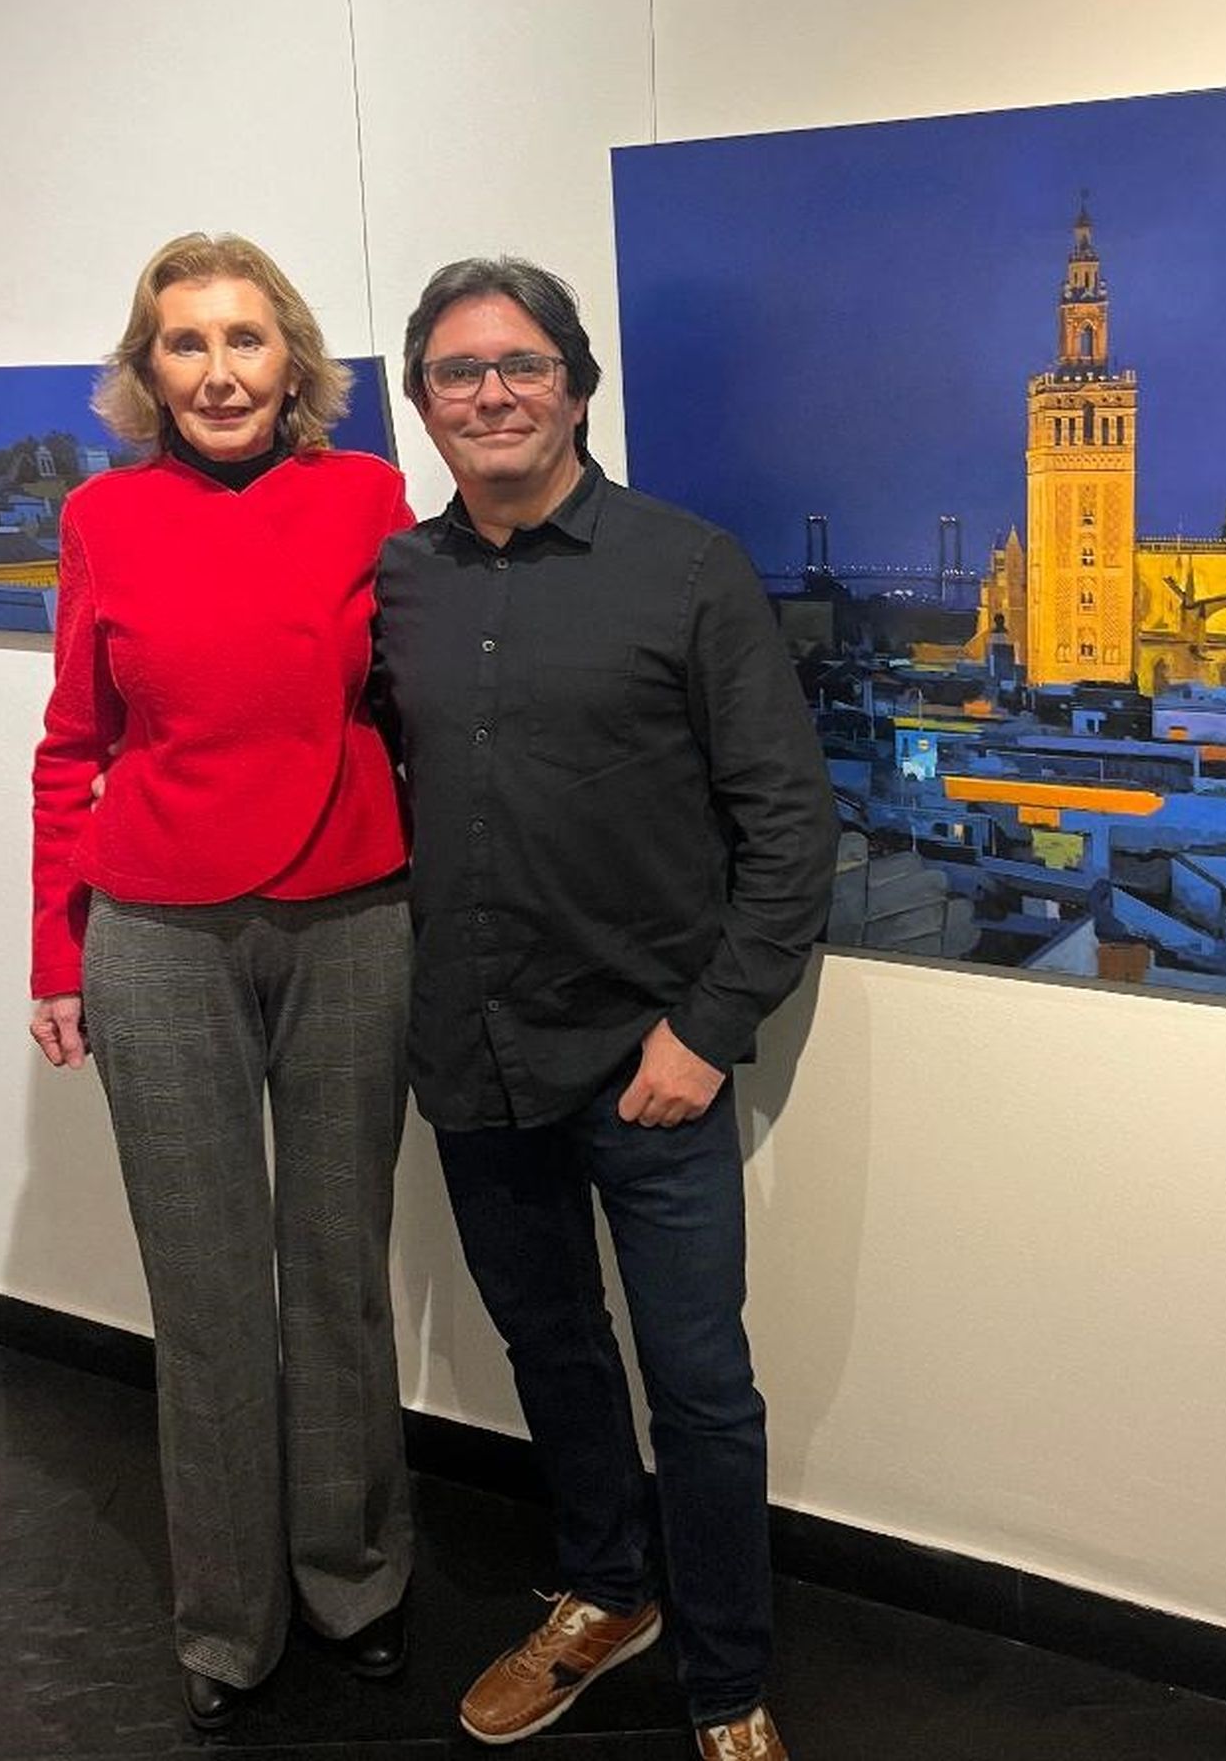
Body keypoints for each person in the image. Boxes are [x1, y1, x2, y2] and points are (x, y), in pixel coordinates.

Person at [371, 258, 838, 1761]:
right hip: (473, 1045)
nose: (492, 393)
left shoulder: (687, 567)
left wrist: (706, 1031)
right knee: (552, 1351)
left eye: (520, 365)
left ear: (576, 383)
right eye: (458, 372)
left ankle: (726, 1683)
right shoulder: (400, 581)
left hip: (651, 1062)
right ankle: (602, 1593)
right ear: (423, 403)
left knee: (701, 1385)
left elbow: (790, 830)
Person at [29, 234, 415, 1731]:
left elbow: (417, 703)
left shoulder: (368, 500)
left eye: (245, 338)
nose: (219, 369)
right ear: (149, 370)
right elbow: (72, 746)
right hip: (159, 934)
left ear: (293, 360)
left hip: (350, 921)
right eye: (184, 343)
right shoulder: (102, 517)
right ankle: (229, 1618)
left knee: (337, 1269)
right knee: (202, 1298)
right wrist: (60, 951)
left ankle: (355, 1576)